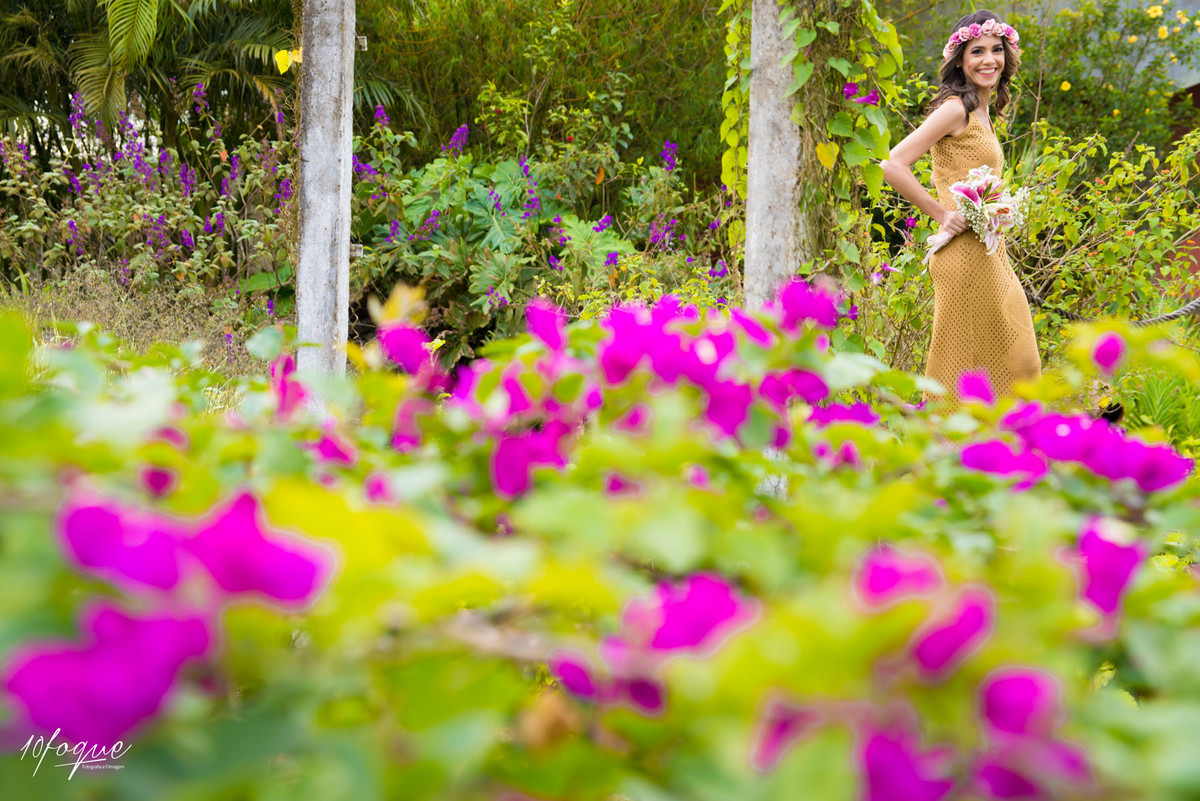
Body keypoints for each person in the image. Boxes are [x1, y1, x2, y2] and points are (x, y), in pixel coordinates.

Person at [880, 10, 1041, 404]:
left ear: (1008, 56)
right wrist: (943, 214)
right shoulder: (956, 109)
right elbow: (892, 164)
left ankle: (996, 451)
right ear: (960, 60)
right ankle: (945, 446)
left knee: (1018, 361)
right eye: (977, 51)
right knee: (964, 364)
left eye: (996, 50)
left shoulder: (984, 111)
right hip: (962, 255)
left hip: (987, 250)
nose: (989, 60)